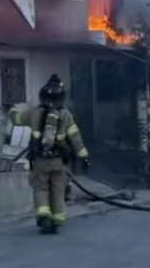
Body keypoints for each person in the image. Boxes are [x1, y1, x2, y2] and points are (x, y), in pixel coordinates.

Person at [9, 74, 90, 235]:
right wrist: (84, 156)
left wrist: (11, 109)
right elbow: (75, 138)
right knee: (58, 190)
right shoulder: (66, 115)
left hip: (40, 161)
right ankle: (58, 218)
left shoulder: (34, 112)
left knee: (41, 188)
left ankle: (44, 215)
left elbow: (16, 119)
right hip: (59, 162)